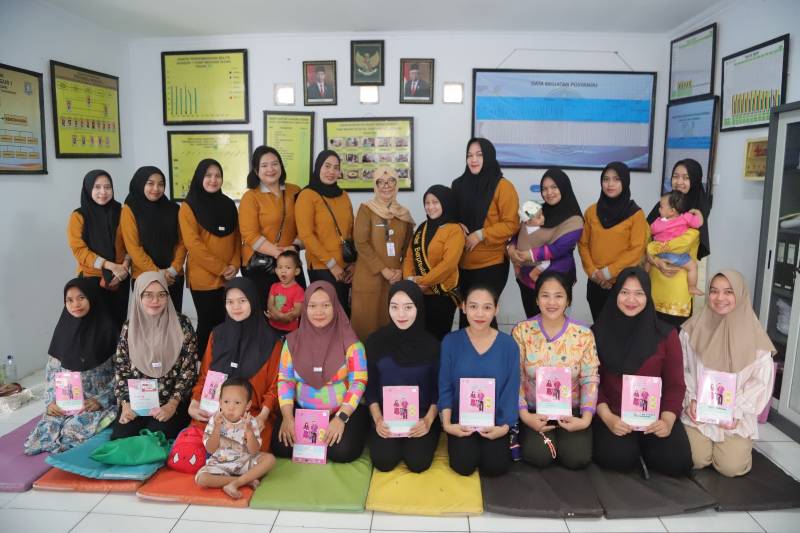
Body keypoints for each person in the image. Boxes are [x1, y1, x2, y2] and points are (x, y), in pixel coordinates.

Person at [591, 268, 692, 475]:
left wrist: (667, 420)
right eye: (624, 292)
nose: (631, 300)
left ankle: (645, 448)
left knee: (677, 462)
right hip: (614, 415)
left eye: (639, 293)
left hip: (655, 416)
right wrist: (608, 418)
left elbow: (675, 384)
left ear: (648, 296)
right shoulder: (597, 332)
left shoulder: (667, 335)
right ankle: (634, 450)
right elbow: (592, 383)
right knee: (617, 459)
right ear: (615, 294)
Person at [681, 270, 776, 477]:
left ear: (740, 294)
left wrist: (736, 411)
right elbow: (682, 368)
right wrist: (691, 400)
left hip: (735, 418)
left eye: (728, 292)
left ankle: (732, 447)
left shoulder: (756, 338)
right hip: (698, 413)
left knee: (730, 468)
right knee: (695, 459)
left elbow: (761, 381)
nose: (720, 298)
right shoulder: (691, 330)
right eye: (714, 291)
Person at [272, 281, 368, 463]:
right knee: (281, 446)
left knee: (342, 452)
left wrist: (341, 418)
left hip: (341, 411)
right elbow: (285, 380)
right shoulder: (292, 342)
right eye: (312, 306)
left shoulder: (351, 343)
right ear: (305, 308)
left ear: (335, 306)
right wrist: (288, 416)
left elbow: (359, 381)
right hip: (303, 411)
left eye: (326, 305)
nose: (319, 312)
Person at [512, 271, 599, 469]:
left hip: (572, 411)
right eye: (545, 295)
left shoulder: (583, 334)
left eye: (558, 296)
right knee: (538, 456)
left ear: (568, 300)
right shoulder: (522, 331)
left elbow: (590, 378)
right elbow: (516, 376)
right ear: (536, 299)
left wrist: (585, 420)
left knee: (576, 458)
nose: (552, 302)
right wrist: (525, 416)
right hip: (535, 411)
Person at [24, 278, 118, 454]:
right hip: (66, 401)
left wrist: (101, 400)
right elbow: (52, 372)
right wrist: (51, 402)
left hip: (95, 403)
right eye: (70, 300)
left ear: (92, 298)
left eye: (81, 297)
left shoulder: (109, 330)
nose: (76, 304)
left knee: (72, 430)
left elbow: (122, 374)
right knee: (44, 433)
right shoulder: (62, 330)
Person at [189, 278, 283, 450]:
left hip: (252, 415)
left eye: (242, 301)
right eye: (230, 302)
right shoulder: (217, 335)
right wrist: (194, 403)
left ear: (253, 301)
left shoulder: (271, 341)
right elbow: (205, 376)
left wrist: (262, 416)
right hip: (216, 412)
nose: (236, 307)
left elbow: (274, 387)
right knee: (194, 448)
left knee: (247, 451)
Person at [438, 284, 520, 477]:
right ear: (463, 307)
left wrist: (504, 428)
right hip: (461, 422)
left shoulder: (508, 345)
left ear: (496, 309)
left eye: (487, 307)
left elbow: (511, 389)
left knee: (495, 467)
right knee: (463, 465)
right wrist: (448, 425)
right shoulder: (450, 342)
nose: (480, 314)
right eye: (473, 306)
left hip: (495, 423)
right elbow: (445, 385)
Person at [111, 272, 198, 440]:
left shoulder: (182, 325)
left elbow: (189, 371)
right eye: (148, 295)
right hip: (136, 402)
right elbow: (121, 370)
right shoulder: (129, 327)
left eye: (161, 295)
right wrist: (126, 404)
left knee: (158, 436)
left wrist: (172, 405)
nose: (155, 301)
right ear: (138, 296)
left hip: (170, 401)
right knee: (122, 436)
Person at [366, 281, 440, 473]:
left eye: (408, 307)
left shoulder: (432, 345)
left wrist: (428, 420)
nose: (401, 314)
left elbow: (437, 390)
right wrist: (378, 419)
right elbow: (371, 388)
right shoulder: (375, 342)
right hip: (386, 417)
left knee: (418, 462)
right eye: (394, 307)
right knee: (384, 461)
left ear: (418, 307)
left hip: (420, 417)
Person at [452, 138, 520, 328]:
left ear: (489, 156)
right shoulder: (458, 185)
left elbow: (512, 224)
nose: (473, 159)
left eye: (479, 155)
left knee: (484, 318)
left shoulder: (503, 186)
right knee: (466, 316)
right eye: (469, 155)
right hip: (461, 263)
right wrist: (456, 225)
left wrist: (481, 234)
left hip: (491, 264)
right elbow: (449, 215)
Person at [179, 159, 241, 356]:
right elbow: (193, 245)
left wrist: (234, 265)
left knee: (226, 323)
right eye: (208, 175)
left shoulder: (229, 205)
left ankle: (222, 363)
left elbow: (237, 238)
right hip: (203, 278)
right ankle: (201, 367)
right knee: (207, 324)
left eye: (217, 176)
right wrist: (222, 268)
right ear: (199, 178)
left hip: (227, 277)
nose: (213, 180)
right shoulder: (188, 207)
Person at [507, 169, 584, 318]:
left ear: (564, 187)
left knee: (555, 325)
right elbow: (520, 231)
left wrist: (529, 255)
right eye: (544, 188)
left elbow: (559, 248)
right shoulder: (538, 211)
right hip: (526, 281)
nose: (549, 193)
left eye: (554, 187)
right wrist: (511, 248)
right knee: (532, 324)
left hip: (556, 282)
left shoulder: (574, 220)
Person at [578, 162, 648, 321]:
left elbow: (636, 249)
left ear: (625, 181)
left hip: (623, 284)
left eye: (616, 179)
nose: (610, 184)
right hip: (595, 283)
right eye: (606, 179)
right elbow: (583, 244)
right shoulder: (591, 211)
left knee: (622, 330)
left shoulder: (636, 214)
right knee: (599, 327)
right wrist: (593, 273)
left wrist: (608, 273)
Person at [351, 167, 414, 340]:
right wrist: (383, 269)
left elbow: (408, 248)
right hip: (369, 278)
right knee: (366, 329)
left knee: (390, 329)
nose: (386, 186)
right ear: (375, 185)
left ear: (397, 184)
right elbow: (361, 243)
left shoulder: (404, 214)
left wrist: (401, 270)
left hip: (394, 280)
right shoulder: (366, 209)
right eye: (381, 182)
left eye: (391, 181)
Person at [647, 160, 712, 326]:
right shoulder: (663, 205)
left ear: (695, 180)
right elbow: (646, 236)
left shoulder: (697, 210)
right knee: (653, 326)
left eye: (686, 177)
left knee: (675, 330)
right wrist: (655, 261)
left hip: (680, 284)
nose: (679, 182)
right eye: (675, 176)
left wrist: (655, 249)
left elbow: (685, 243)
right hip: (656, 279)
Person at [239, 146, 303, 313]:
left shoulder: (295, 191)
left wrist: (295, 247)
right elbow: (249, 235)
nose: (270, 169)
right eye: (264, 165)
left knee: (294, 310)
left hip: (290, 262)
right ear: (256, 170)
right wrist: (279, 254)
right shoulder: (250, 197)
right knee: (267, 312)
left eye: (275, 164)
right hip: (260, 265)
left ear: (281, 166)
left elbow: (306, 226)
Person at [67, 169, 130, 329]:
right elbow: (79, 249)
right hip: (91, 278)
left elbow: (131, 243)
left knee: (117, 325)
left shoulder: (122, 212)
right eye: (97, 187)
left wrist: (124, 266)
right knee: (95, 329)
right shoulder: (78, 216)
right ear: (88, 189)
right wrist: (109, 265)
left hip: (119, 278)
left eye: (107, 187)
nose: (103, 192)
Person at [195, 377, 277, 499]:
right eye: (226, 402)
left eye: (237, 403)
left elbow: (254, 451)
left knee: (270, 459)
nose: (231, 407)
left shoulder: (250, 422)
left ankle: (236, 483)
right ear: (220, 402)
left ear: (247, 405)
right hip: (220, 463)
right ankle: (243, 481)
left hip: (245, 461)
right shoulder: (215, 420)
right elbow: (210, 449)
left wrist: (249, 431)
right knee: (202, 479)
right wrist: (217, 428)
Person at [295, 151, 355, 315]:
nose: (331, 171)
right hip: (322, 267)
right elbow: (306, 235)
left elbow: (351, 231)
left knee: (345, 315)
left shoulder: (344, 196)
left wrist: (353, 264)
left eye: (336, 167)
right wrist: (332, 265)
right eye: (327, 166)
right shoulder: (307, 195)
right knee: (328, 315)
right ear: (318, 167)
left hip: (346, 268)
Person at [121, 166, 186, 311]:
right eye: (150, 183)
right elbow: (133, 247)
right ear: (140, 183)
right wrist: (158, 273)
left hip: (173, 277)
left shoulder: (174, 209)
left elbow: (182, 242)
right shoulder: (130, 209)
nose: (156, 188)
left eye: (161, 184)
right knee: (148, 321)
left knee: (174, 320)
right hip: (144, 277)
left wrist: (173, 270)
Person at [403, 185, 464, 340]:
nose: (430, 207)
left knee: (437, 339)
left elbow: (448, 264)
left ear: (446, 202)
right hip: (418, 293)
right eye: (427, 203)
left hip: (441, 295)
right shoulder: (422, 227)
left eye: (435, 202)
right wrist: (410, 280)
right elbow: (409, 257)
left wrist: (423, 281)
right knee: (418, 338)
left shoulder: (454, 230)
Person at [647, 191, 704, 298]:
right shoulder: (686, 217)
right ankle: (692, 287)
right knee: (693, 267)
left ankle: (644, 280)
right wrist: (698, 212)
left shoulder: (660, 222)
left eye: (661, 207)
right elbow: (699, 223)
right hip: (677, 255)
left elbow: (652, 230)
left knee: (648, 261)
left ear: (672, 211)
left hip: (660, 253)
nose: (659, 209)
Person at [267, 250, 305, 333]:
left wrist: (284, 317)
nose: (283, 271)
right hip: (273, 326)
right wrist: (279, 315)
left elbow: (297, 311)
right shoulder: (274, 286)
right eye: (280, 267)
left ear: (296, 271)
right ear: (276, 270)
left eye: (288, 267)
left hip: (290, 330)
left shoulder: (298, 290)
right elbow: (270, 304)